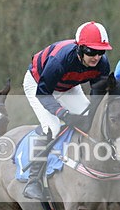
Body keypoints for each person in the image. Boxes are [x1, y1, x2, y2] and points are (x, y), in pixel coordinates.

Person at [22, 21, 113, 200]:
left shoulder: (102, 64)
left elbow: (97, 96)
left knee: (92, 122)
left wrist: (90, 117)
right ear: (79, 48)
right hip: (39, 86)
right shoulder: (60, 60)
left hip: (68, 87)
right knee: (53, 127)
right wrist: (63, 114)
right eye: (91, 51)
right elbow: (43, 93)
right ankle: (33, 181)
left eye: (100, 52)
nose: (96, 57)